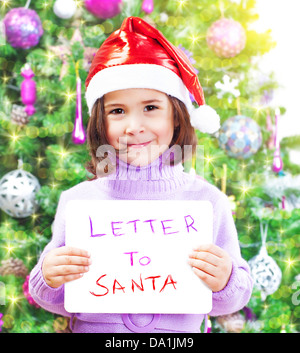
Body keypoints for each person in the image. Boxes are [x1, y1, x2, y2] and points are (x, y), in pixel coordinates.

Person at [29, 17, 253, 333]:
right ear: (100, 124)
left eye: (150, 108)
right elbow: (56, 297)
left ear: (177, 115)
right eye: (118, 111)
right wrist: (48, 277)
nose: (134, 126)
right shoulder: (79, 200)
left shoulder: (208, 201)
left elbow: (233, 297)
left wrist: (226, 278)